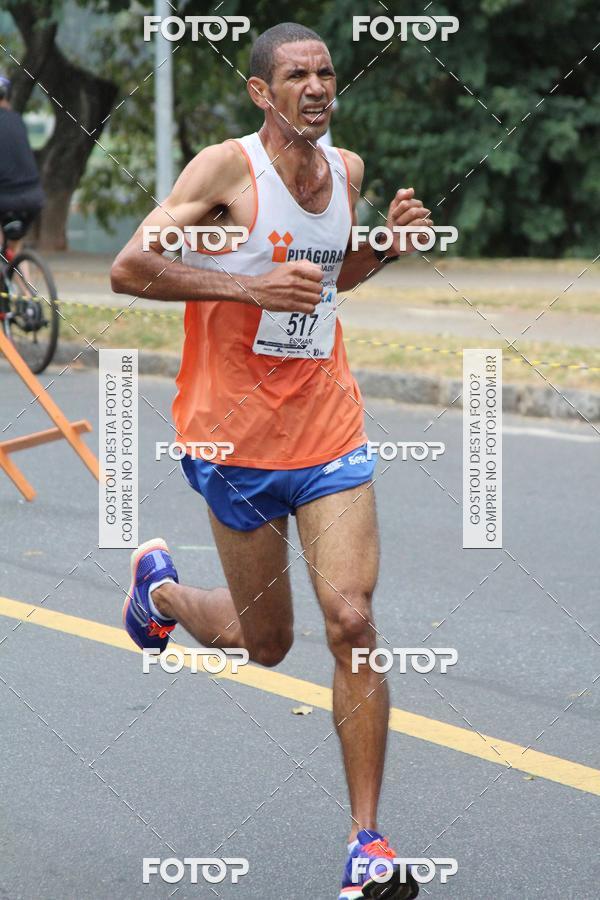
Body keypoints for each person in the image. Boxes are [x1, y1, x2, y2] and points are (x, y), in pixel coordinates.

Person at [112, 22, 433, 900]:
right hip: (234, 438)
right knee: (268, 644)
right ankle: (162, 593)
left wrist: (383, 250)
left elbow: (333, 280)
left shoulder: (347, 174)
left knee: (353, 621)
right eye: (297, 75)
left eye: (327, 71)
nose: (318, 85)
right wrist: (249, 285)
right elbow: (130, 266)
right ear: (263, 92)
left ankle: (368, 847)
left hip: (328, 428)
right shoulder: (224, 171)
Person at [0, 74, 45, 256]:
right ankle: (25, 285)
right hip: (34, 197)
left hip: (6, 198)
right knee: (15, 249)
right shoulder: (17, 120)